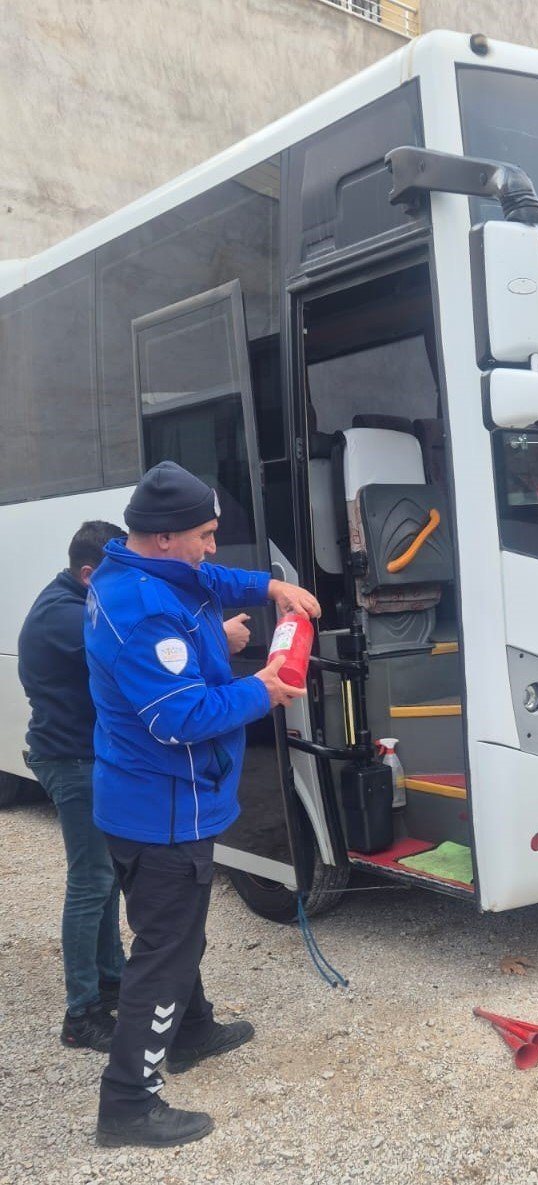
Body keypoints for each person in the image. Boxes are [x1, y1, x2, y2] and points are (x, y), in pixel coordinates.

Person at [84, 461, 319, 1149]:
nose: (213, 548)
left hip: (157, 804)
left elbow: (211, 581)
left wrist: (272, 585)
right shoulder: (139, 609)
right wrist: (265, 688)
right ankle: (128, 1101)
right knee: (164, 948)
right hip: (161, 811)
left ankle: (191, 1029)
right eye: (207, 534)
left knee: (179, 932)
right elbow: (179, 717)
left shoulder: (147, 570)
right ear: (163, 537)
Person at [18, 521, 127, 1053]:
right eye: (116, 575)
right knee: (91, 881)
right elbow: (128, 654)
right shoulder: (63, 616)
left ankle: (111, 979)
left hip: (87, 755)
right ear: (89, 574)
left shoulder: (75, 598)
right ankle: (80, 1014)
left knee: (103, 877)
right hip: (71, 759)